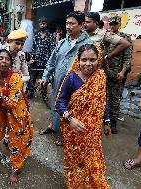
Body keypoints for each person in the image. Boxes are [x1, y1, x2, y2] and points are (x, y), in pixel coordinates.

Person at [55, 44, 111, 189]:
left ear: (98, 60)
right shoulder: (71, 78)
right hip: (73, 130)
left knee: (91, 159)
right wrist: (70, 119)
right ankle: (75, 184)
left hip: (92, 131)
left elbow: (103, 101)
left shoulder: (100, 77)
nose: (88, 64)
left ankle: (91, 183)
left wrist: (106, 121)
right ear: (77, 61)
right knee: (75, 160)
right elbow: (59, 103)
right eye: (84, 59)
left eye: (92, 60)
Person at [0, 49, 33, 185]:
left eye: (7, 59)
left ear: (11, 63)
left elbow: (13, 102)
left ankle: (15, 169)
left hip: (16, 112)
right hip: (0, 109)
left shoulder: (16, 78)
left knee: (17, 140)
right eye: (0, 58)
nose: (4, 61)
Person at [38, 11, 92, 145]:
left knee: (72, 109)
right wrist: (45, 77)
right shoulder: (62, 43)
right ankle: (53, 125)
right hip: (58, 82)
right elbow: (51, 62)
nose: (68, 26)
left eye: (72, 23)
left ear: (81, 25)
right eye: (67, 23)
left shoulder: (88, 45)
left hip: (76, 86)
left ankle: (66, 136)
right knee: (56, 104)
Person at [105, 15, 133, 134]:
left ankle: (113, 122)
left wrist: (122, 72)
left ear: (119, 25)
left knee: (114, 99)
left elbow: (128, 58)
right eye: (110, 23)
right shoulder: (106, 36)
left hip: (117, 74)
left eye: (114, 24)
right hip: (105, 72)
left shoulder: (125, 37)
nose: (112, 26)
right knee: (102, 97)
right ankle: (104, 119)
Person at [27, 17, 55, 99]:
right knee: (32, 78)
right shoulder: (36, 36)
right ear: (39, 25)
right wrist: (31, 58)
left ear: (46, 24)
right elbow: (32, 48)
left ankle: (44, 94)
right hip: (35, 61)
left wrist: (50, 62)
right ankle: (30, 92)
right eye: (41, 24)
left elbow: (52, 50)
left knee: (44, 79)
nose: (42, 25)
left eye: (44, 23)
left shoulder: (50, 36)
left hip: (45, 62)